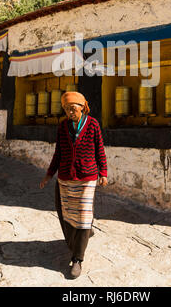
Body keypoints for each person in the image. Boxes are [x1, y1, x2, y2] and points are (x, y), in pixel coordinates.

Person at [39, 91, 108, 279]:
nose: (70, 112)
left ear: (82, 107)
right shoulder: (63, 126)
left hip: (87, 178)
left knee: (84, 217)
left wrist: (103, 173)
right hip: (66, 177)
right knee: (66, 213)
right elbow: (58, 153)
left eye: (73, 108)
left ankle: (77, 258)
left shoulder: (92, 124)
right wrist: (48, 174)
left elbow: (99, 149)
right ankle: (77, 241)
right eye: (67, 109)